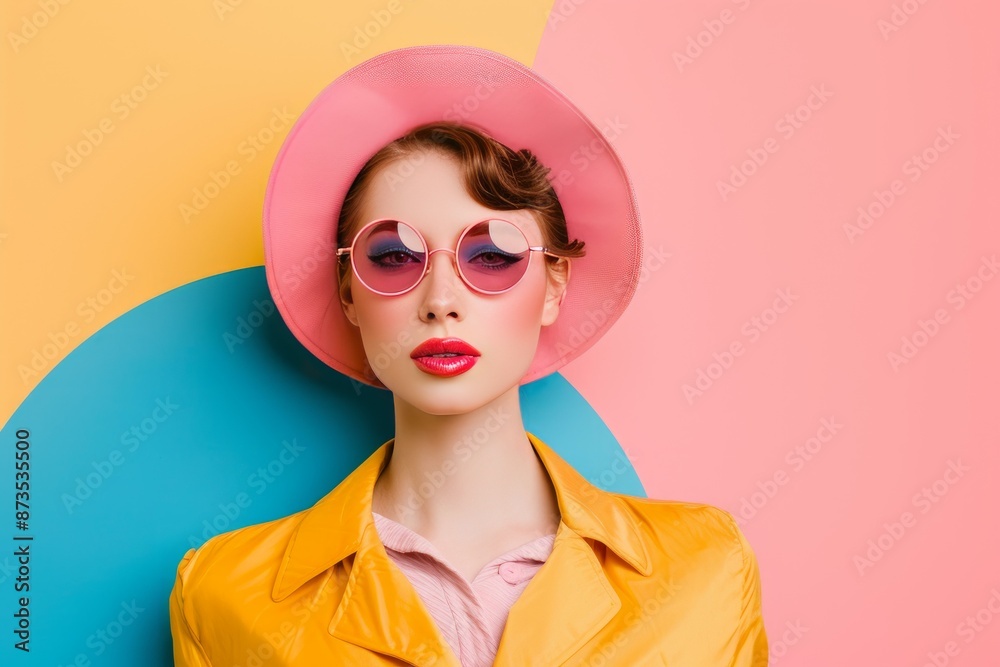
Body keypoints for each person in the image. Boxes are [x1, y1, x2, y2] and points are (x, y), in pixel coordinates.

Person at [168, 45, 768, 666]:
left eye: (493, 256)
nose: (441, 301)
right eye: (394, 257)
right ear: (348, 293)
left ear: (553, 287)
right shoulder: (227, 595)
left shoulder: (703, 571)